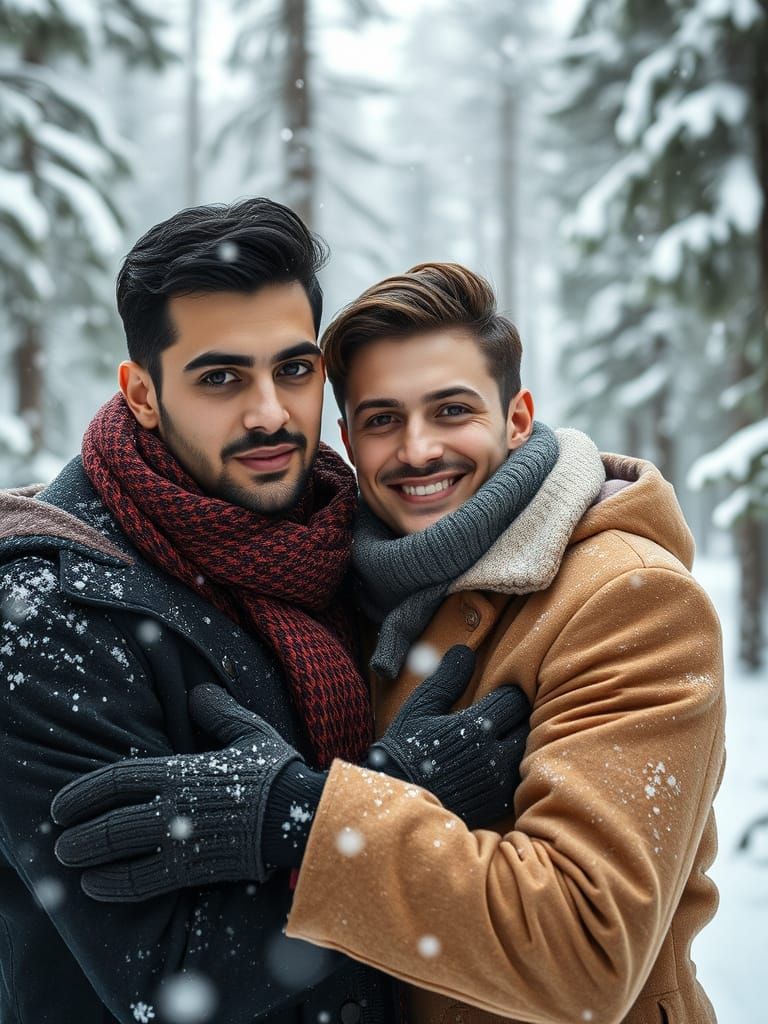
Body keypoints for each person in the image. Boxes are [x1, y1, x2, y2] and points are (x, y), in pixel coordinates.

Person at [52, 261, 725, 1024]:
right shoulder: (352, 593)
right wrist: (398, 783)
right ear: (346, 439)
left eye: (451, 410)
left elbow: (584, 949)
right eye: (382, 420)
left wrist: (298, 814)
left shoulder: (628, 598)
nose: (417, 450)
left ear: (517, 417)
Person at [0, 206, 529, 1024]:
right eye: (221, 379)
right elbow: (168, 978)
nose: (271, 415)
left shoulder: (335, 539)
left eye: (293, 370)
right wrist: (386, 799)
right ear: (142, 393)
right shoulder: (45, 616)